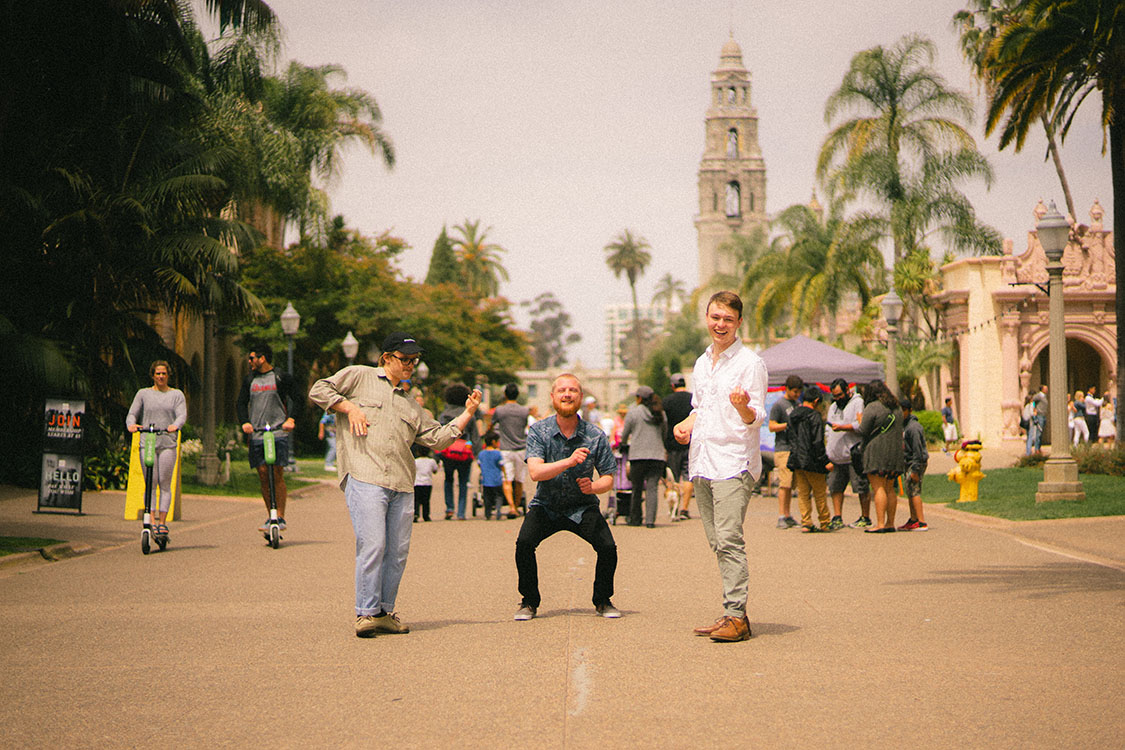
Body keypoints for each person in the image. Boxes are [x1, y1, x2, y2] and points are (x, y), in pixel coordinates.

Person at [309, 332, 482, 638]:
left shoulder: (411, 405)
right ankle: (365, 613)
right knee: (373, 543)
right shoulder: (359, 376)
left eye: (414, 361)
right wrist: (349, 408)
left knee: (398, 552)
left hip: (402, 482)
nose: (410, 366)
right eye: (405, 359)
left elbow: (438, 439)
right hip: (365, 475)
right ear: (386, 358)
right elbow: (318, 389)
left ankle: (383, 612)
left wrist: (468, 413)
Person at [673, 291, 767, 643]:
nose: (720, 324)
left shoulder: (750, 363)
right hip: (702, 460)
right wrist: (686, 425)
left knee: (729, 539)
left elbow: (757, 417)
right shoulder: (701, 363)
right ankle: (734, 611)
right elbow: (700, 407)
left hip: (733, 462)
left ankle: (736, 616)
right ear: (707, 319)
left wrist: (743, 407)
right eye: (715, 317)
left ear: (739, 322)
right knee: (717, 541)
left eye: (728, 319)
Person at [514, 373, 620, 620]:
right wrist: (569, 461)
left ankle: (603, 600)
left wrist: (594, 488)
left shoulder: (595, 435)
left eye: (572, 390)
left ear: (581, 397)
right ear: (552, 397)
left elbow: (608, 478)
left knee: (608, 548)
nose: (567, 394)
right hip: (546, 506)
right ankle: (528, 602)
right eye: (561, 390)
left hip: (582, 507)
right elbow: (535, 472)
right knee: (524, 544)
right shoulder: (539, 431)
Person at [236, 343, 302, 532]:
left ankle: (280, 516)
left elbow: (298, 398)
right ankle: (270, 515)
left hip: (278, 431)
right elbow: (241, 403)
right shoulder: (250, 380)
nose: (249, 362)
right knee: (263, 474)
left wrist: (291, 419)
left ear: (262, 358)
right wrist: (245, 422)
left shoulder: (280, 377)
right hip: (257, 434)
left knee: (276, 473)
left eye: (252, 358)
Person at [125, 360, 187, 535]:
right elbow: (132, 413)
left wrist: (175, 425)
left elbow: (182, 415)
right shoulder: (143, 394)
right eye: (158, 373)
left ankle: (162, 522)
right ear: (153, 375)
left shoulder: (176, 395)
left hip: (167, 442)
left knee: (164, 483)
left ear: (168, 375)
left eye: (164, 373)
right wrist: (131, 424)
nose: (161, 376)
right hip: (148, 441)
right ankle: (150, 520)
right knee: (150, 482)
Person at [856, 380, 905, 534]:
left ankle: (880, 524)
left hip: (876, 451)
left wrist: (859, 420)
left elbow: (863, 430)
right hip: (894, 451)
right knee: (890, 488)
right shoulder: (896, 407)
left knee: (878, 488)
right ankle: (890, 523)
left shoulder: (872, 407)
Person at [786, 385, 833, 532]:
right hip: (813, 461)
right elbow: (818, 442)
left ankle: (806, 522)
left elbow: (790, 438)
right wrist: (825, 461)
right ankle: (825, 522)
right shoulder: (814, 416)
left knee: (803, 493)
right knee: (819, 493)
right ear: (816, 401)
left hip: (797, 460)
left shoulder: (793, 415)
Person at [826, 378, 871, 530]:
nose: (837, 399)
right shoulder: (833, 407)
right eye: (835, 396)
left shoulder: (858, 403)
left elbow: (862, 425)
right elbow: (828, 428)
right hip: (836, 456)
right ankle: (837, 516)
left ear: (847, 391)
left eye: (839, 395)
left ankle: (865, 517)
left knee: (861, 486)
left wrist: (844, 427)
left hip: (853, 454)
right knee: (835, 487)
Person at [620, 385, 667, 527]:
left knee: (637, 488)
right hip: (657, 455)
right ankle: (650, 521)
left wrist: (623, 444)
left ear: (639, 398)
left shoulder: (633, 413)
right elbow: (665, 433)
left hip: (637, 456)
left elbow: (625, 433)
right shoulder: (660, 413)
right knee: (652, 488)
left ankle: (635, 519)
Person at [438, 382, 480, 520]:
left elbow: (438, 433)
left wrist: (436, 455)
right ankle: (461, 512)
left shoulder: (444, 415)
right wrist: (477, 454)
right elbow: (475, 437)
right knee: (463, 482)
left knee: (448, 480)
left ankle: (450, 508)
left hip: (448, 451)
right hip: (464, 453)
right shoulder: (469, 414)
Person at [768, 375, 803, 529]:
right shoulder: (779, 405)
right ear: (787, 389)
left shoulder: (797, 404)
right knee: (784, 484)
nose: (796, 394)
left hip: (795, 449)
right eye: (794, 391)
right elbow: (772, 426)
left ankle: (788, 515)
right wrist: (787, 425)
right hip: (783, 449)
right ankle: (782, 515)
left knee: (791, 485)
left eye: (798, 392)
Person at [491, 383, 530, 518]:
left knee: (507, 479)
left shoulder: (500, 410)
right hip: (521, 448)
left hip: (505, 448)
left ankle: (512, 507)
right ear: (518, 395)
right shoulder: (524, 411)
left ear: (505, 394)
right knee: (519, 480)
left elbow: (492, 424)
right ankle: (517, 506)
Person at [663, 373, 695, 519]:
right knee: (688, 476)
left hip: (673, 444)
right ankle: (684, 509)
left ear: (672, 385)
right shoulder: (692, 399)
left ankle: (674, 507)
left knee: (674, 478)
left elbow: (664, 424)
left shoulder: (667, 402)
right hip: (690, 443)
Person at [897, 397, 929, 531]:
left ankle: (921, 521)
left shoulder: (913, 427)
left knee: (915, 490)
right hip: (908, 462)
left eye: (904, 410)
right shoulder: (904, 425)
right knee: (910, 490)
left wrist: (915, 470)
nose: (901, 413)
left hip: (916, 462)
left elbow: (918, 450)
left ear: (910, 410)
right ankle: (913, 519)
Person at [478, 431, 505, 520]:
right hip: (496, 479)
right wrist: (505, 474)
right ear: (493, 441)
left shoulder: (481, 454)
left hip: (486, 480)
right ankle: (498, 510)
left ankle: (488, 513)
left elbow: (479, 464)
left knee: (487, 497)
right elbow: (502, 465)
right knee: (499, 496)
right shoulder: (497, 453)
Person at [412, 446, 439, 522]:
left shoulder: (416, 461)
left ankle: (416, 514)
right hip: (427, 483)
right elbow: (435, 470)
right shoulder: (431, 461)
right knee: (426, 500)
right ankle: (426, 515)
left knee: (416, 500)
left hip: (417, 483)